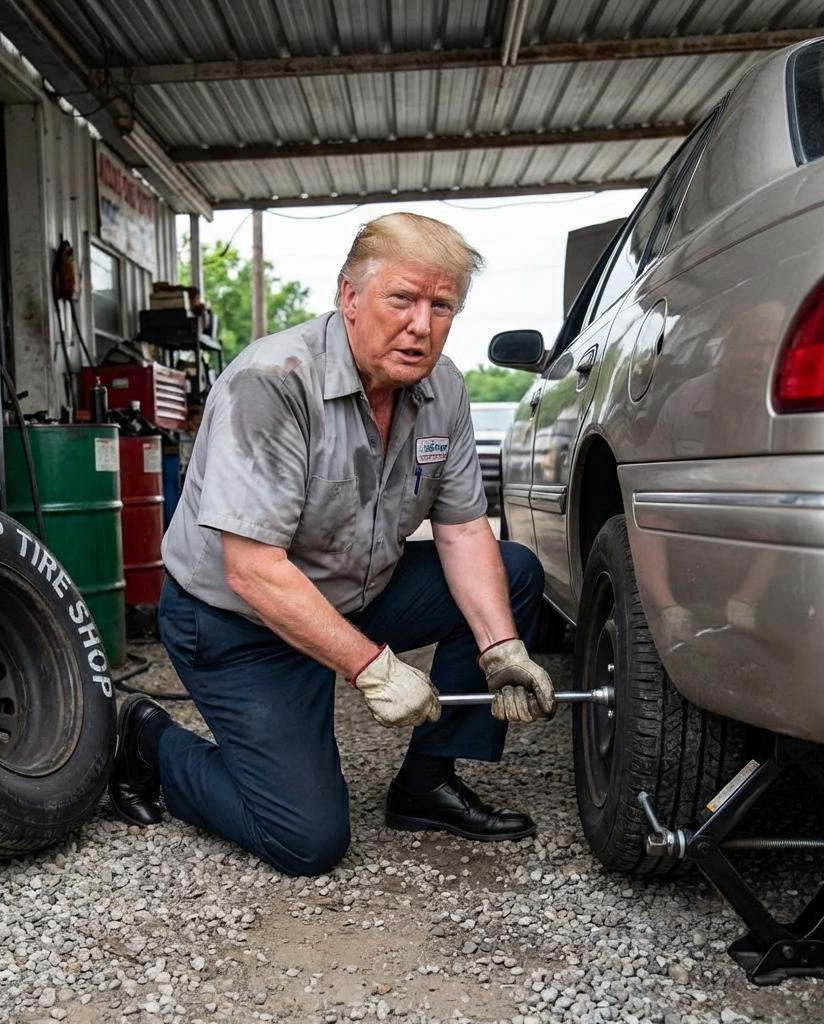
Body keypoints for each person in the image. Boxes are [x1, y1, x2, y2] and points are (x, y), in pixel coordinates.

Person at [109, 212, 555, 876]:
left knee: (513, 573)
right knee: (307, 841)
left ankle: (426, 784)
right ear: (349, 297)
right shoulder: (274, 382)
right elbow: (254, 571)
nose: (422, 325)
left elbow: (462, 528)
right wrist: (372, 668)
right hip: (238, 621)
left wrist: (502, 648)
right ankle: (152, 744)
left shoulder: (445, 389)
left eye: (442, 306)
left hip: (356, 592)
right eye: (401, 299)